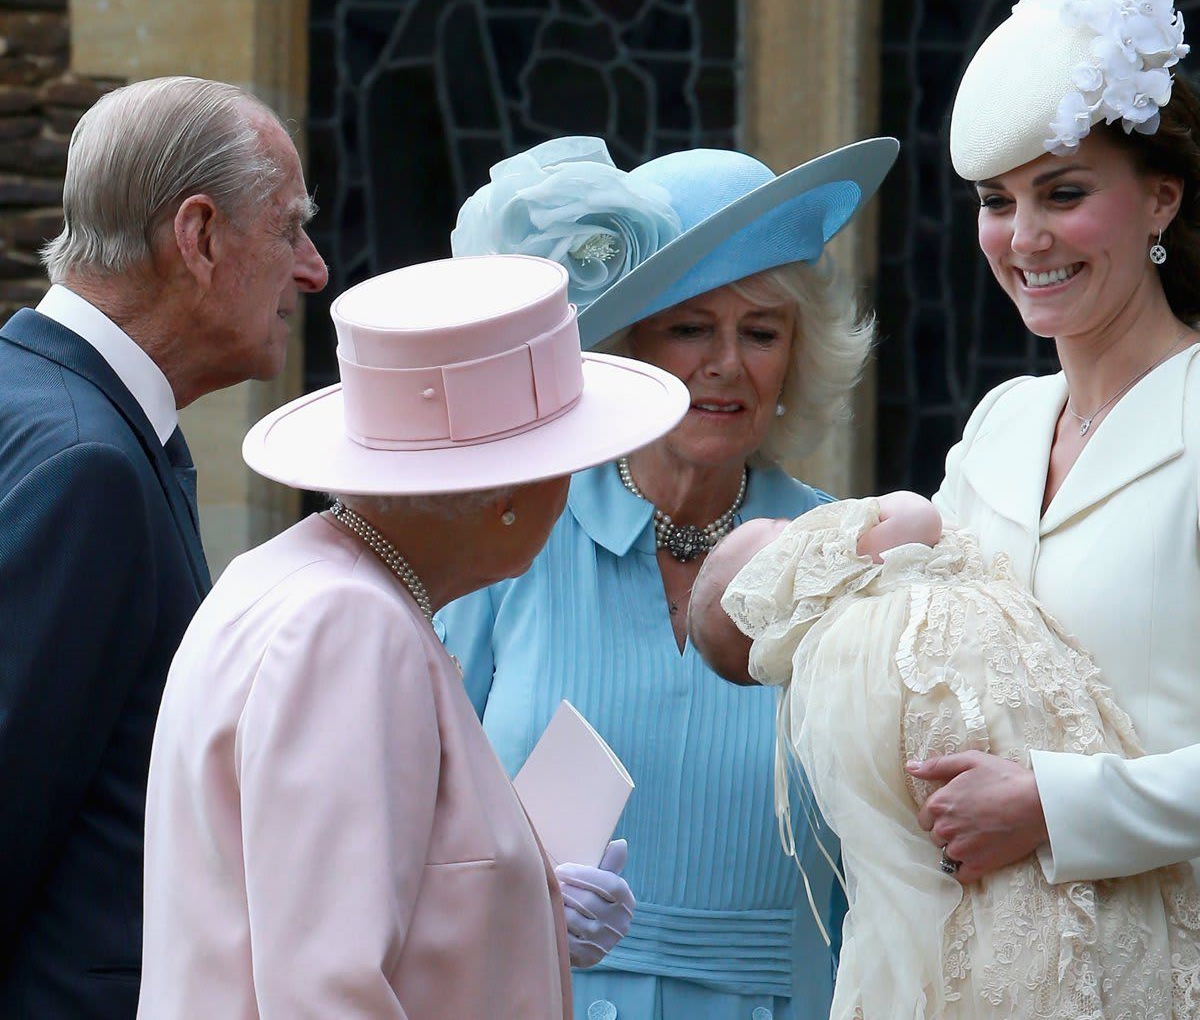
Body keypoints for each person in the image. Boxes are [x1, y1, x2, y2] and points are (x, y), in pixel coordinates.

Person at [137, 254, 689, 1019]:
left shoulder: (300, 579)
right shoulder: (349, 625)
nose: (571, 490)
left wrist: (524, 906)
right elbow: (328, 991)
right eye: (566, 461)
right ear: (504, 493)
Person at [442, 133, 897, 1020]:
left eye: (760, 332)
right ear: (625, 347)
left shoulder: (839, 558)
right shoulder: (511, 538)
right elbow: (410, 797)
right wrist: (508, 895)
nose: (726, 362)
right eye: (690, 328)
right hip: (532, 993)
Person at [898, 0, 1200, 890]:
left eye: (1063, 193)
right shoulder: (998, 428)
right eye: (995, 201)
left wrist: (1056, 807)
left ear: (1161, 197)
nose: (1024, 238)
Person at [0, 75, 327, 1020]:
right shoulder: (85, 466)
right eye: (288, 226)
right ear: (198, 237)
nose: (311, 269)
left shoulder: (51, 407)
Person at [689, 495, 1200, 1017]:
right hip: (1042, 900)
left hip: (1105, 848)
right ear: (781, 580)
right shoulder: (861, 581)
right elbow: (921, 516)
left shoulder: (834, 673)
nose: (806, 522)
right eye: (781, 527)